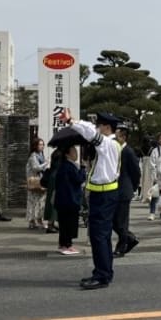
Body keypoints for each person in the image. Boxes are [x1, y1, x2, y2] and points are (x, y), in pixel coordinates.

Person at [60, 109, 122, 290]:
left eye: (99, 125)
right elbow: (90, 131)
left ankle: (102, 275)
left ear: (107, 127)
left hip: (103, 195)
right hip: (104, 193)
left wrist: (72, 121)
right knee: (102, 236)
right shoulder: (111, 145)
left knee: (99, 237)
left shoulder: (107, 144)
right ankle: (105, 272)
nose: (97, 128)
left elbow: (90, 133)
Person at [112, 125, 140, 257]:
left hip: (124, 190)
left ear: (123, 137)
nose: (114, 138)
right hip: (114, 190)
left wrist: (133, 188)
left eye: (117, 136)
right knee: (114, 221)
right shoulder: (115, 150)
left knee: (121, 221)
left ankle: (122, 246)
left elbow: (136, 172)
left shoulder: (128, 151)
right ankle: (129, 238)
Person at [54, 145, 87, 255]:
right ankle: (67, 245)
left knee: (64, 224)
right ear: (67, 154)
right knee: (68, 224)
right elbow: (78, 179)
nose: (76, 154)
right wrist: (83, 168)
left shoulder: (64, 165)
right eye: (73, 151)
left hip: (64, 200)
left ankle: (64, 244)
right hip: (69, 200)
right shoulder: (68, 166)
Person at [26, 138, 49, 229]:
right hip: (34, 181)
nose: (42, 146)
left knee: (41, 201)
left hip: (40, 180)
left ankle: (39, 220)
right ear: (35, 146)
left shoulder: (40, 155)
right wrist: (46, 163)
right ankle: (32, 221)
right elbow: (36, 168)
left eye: (43, 144)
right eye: (40, 144)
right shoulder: (33, 156)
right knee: (32, 202)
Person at [148, 133, 161, 221]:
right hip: (158, 176)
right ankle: (152, 213)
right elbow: (152, 164)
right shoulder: (155, 151)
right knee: (155, 195)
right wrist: (154, 177)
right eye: (160, 139)